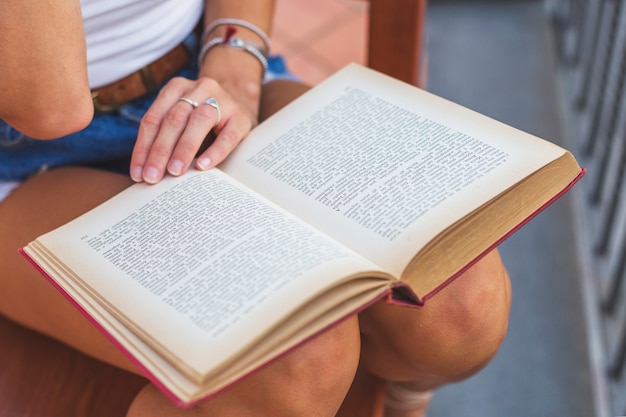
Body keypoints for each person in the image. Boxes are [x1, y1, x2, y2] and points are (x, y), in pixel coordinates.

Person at [0, 1, 512, 416]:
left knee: (462, 307)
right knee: (289, 359)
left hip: (202, 72)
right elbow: (50, 104)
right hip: (23, 146)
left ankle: (396, 403)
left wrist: (235, 64)